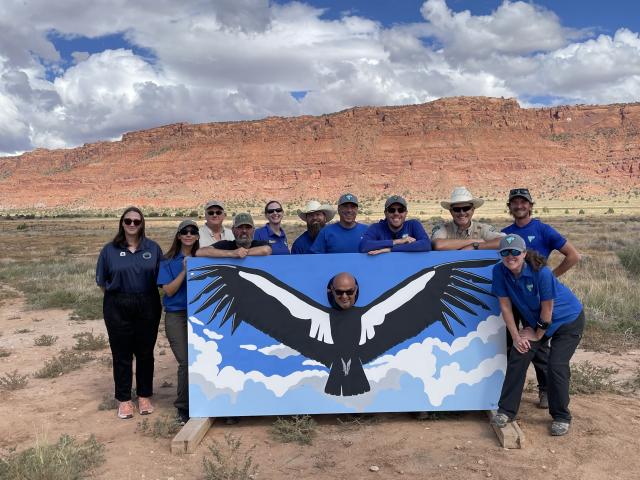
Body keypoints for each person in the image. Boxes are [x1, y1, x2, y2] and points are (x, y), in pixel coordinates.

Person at [492, 234, 585, 436]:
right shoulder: (499, 271)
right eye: (505, 253)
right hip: (536, 323)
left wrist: (537, 334)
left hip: (566, 320)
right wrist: (516, 336)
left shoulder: (540, 273)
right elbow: (505, 307)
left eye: (515, 252)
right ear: (500, 255)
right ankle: (506, 411)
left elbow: (548, 309)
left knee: (556, 365)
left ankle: (561, 416)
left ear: (524, 253)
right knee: (519, 353)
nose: (510, 256)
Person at [502, 188, 581, 408]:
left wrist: (550, 279)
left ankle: (546, 390)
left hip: (539, 302)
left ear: (530, 205)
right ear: (509, 207)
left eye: (523, 202)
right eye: (515, 202)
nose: (519, 206)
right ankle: (504, 393)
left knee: (538, 342)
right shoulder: (505, 233)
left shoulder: (543, 230)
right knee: (513, 342)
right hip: (516, 297)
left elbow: (573, 256)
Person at [96, 206, 162, 419]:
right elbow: (102, 281)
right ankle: (124, 399)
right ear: (122, 224)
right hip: (117, 304)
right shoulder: (109, 250)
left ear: (142, 224)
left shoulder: (153, 248)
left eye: (136, 221)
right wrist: (120, 296)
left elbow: (161, 279)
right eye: (128, 221)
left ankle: (144, 396)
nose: (132, 225)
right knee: (122, 353)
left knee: (145, 352)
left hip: (148, 303)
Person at [157, 219, 199, 424]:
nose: (189, 235)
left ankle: (203, 401)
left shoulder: (203, 257)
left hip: (199, 315)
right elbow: (170, 290)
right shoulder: (167, 261)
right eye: (185, 231)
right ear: (179, 235)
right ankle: (183, 406)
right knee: (185, 361)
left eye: (193, 231)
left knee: (201, 359)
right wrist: (185, 270)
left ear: (198, 236)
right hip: (177, 315)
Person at [432, 187, 504, 250]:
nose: (462, 213)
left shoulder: (482, 228)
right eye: (457, 209)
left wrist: (476, 246)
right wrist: (473, 241)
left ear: (473, 210)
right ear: (451, 211)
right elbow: (438, 245)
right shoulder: (443, 228)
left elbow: (505, 241)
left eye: (466, 208)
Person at [359, 195, 431, 255]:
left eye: (401, 210)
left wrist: (390, 249)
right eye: (391, 210)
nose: (396, 213)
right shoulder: (376, 227)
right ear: (385, 213)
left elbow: (426, 244)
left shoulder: (413, 225)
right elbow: (364, 246)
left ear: (406, 213)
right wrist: (397, 241)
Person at [197, 213, 272, 258]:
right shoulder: (225, 245)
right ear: (233, 230)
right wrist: (232, 253)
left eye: (248, 227)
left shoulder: (259, 244)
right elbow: (200, 252)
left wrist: (243, 253)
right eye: (240, 227)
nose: (244, 231)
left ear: (253, 230)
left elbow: (266, 250)